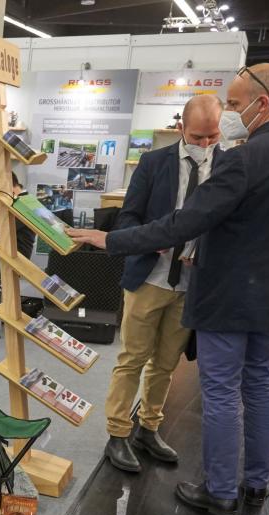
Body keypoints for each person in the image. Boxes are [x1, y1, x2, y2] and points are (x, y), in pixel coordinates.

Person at [69, 64, 269, 515]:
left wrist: (110, 239)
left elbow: (185, 222)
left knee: (220, 393)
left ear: (262, 102)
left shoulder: (242, 159)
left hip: (225, 297)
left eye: (234, 104)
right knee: (260, 385)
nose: (228, 115)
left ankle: (220, 491)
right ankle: (256, 485)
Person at [103, 95, 223, 473]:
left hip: (191, 284)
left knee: (166, 364)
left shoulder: (228, 166)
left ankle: (149, 428)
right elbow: (128, 218)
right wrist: (148, 240)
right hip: (149, 279)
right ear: (180, 128)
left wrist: (204, 246)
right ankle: (118, 433)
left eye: (213, 136)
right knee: (132, 358)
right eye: (198, 137)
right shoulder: (154, 163)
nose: (205, 144)